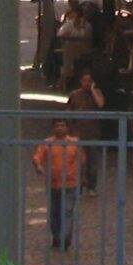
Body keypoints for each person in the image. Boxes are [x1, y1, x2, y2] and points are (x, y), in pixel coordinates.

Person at [34, 118, 85, 251]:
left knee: (67, 211)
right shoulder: (47, 143)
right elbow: (37, 157)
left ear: (67, 128)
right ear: (53, 128)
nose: (60, 128)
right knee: (54, 213)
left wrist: (83, 179)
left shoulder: (75, 143)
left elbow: (82, 161)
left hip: (70, 183)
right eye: (57, 125)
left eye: (62, 125)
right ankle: (57, 237)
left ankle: (65, 239)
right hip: (53, 184)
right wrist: (38, 166)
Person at [66, 69, 108, 193]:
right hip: (77, 133)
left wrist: (93, 90)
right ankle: (78, 186)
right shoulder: (74, 95)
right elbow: (68, 111)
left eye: (89, 81)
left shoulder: (97, 93)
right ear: (80, 81)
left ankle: (92, 186)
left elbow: (100, 104)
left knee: (92, 163)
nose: (87, 83)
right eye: (84, 80)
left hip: (92, 133)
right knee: (78, 162)